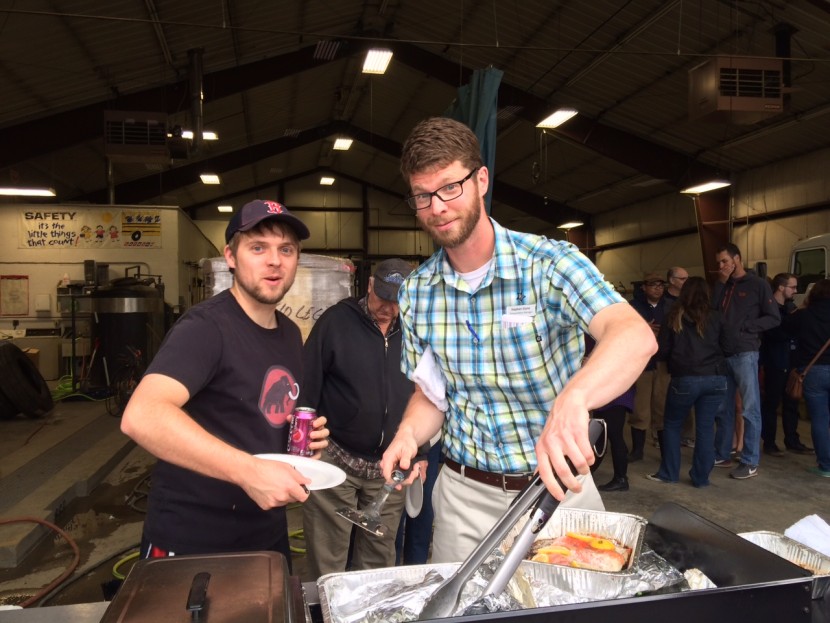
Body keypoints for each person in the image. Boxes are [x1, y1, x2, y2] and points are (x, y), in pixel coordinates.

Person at [379, 117, 657, 563]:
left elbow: (633, 335)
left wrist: (575, 399)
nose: (438, 207)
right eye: (423, 196)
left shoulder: (549, 264)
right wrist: (408, 434)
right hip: (463, 499)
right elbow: (431, 395)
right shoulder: (417, 292)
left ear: (481, 179)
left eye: (450, 187)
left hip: (557, 492)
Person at [121, 199, 329, 565]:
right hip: (194, 540)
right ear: (231, 256)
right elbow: (142, 415)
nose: (275, 260)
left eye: (286, 249)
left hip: (265, 533)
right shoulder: (207, 327)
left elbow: (258, 422)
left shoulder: (291, 334)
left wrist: (302, 445)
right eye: (258, 247)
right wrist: (248, 472)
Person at [299, 258, 417, 578]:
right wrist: (304, 453)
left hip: (389, 467)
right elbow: (307, 388)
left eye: (398, 302)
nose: (389, 309)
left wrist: (418, 449)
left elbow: (428, 393)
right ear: (368, 286)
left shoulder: (415, 330)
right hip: (336, 458)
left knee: (379, 557)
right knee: (328, 555)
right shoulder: (336, 322)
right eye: (383, 298)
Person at [647, 277, 728, 487]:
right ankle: (701, 478)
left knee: (672, 425)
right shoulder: (717, 317)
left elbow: (662, 350)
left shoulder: (674, 316)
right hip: (715, 378)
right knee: (705, 428)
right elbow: (728, 346)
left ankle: (669, 473)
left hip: (685, 378)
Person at [711, 243, 780, 480]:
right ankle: (722, 453)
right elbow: (712, 311)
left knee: (750, 408)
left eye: (724, 262)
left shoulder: (758, 285)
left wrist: (747, 328)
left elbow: (773, 317)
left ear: (737, 259)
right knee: (723, 406)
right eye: (718, 263)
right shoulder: (723, 285)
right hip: (723, 353)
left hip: (745, 353)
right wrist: (720, 282)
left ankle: (750, 461)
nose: (721, 266)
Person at [760, 273, 812, 456]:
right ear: (781, 287)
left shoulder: (791, 307)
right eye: (793, 287)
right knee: (772, 403)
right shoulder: (769, 308)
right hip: (775, 361)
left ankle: (792, 440)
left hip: (791, 361)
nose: (795, 291)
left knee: (792, 403)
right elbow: (773, 334)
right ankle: (769, 442)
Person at [784, 279, 830, 477]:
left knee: (819, 420)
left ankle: (826, 466)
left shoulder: (804, 315)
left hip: (813, 372)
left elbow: (784, 328)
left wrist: (802, 307)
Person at [628, 272, 671, 461]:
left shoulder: (670, 306)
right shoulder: (632, 307)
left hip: (663, 362)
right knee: (640, 407)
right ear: (644, 287)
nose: (658, 288)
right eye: (653, 285)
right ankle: (638, 450)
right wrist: (643, 327)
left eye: (661, 285)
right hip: (642, 362)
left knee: (662, 406)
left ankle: (664, 450)